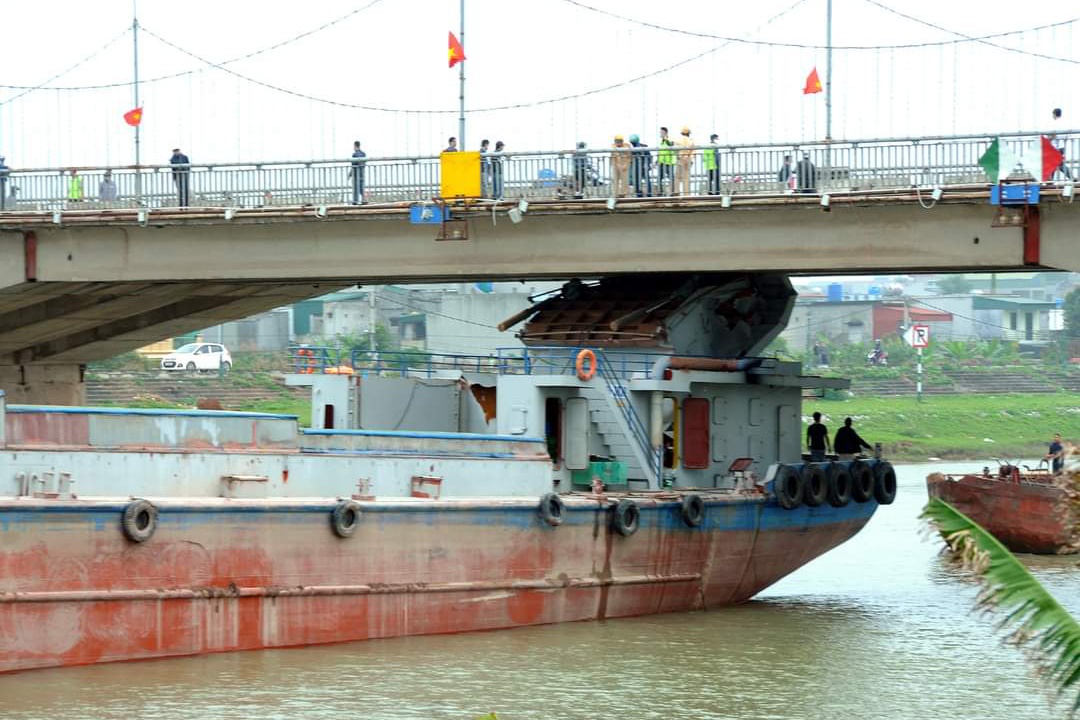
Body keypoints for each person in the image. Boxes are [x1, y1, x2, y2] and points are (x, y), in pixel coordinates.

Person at [1051, 108, 1073, 181]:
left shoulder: (1055, 123)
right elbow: (1067, 136)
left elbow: (1053, 134)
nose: (1052, 116)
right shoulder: (1065, 124)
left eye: (1053, 115)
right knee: (1056, 164)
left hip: (1055, 147)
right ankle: (1050, 181)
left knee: (1054, 164)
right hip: (1062, 147)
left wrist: (1048, 140)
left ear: (1054, 114)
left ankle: (1050, 181)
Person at [657, 127, 676, 195]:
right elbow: (661, 152)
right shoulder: (661, 142)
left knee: (671, 178)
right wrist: (657, 161)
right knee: (659, 178)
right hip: (661, 162)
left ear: (665, 133)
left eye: (661, 132)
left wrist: (666, 139)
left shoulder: (669, 140)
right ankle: (660, 192)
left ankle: (672, 192)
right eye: (660, 132)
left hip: (669, 162)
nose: (660, 133)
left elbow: (671, 145)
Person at [675, 126, 694, 196]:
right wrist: (691, 160)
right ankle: (686, 194)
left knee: (677, 177)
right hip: (687, 159)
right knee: (686, 178)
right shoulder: (691, 140)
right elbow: (693, 151)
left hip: (680, 159)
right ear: (688, 133)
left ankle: (676, 192)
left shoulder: (678, 140)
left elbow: (675, 150)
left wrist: (678, 156)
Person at [349, 141, 367, 205]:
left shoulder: (354, 154)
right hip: (362, 173)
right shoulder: (364, 154)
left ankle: (355, 201)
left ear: (355, 146)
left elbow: (353, 165)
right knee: (362, 187)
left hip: (356, 174)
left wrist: (350, 174)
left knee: (356, 187)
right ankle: (364, 200)